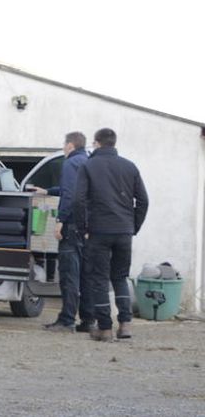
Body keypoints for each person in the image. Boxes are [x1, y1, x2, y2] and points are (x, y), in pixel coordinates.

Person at [74, 128, 149, 341]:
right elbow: (143, 201)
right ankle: (125, 325)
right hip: (124, 231)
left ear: (97, 143)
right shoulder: (130, 166)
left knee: (99, 279)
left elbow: (78, 200)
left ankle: (104, 328)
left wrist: (83, 229)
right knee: (120, 277)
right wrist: (133, 226)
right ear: (114, 143)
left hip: (98, 231)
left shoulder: (88, 166)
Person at [31, 131, 93, 333]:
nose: (63, 147)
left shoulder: (70, 164)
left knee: (69, 276)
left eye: (64, 144)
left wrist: (60, 220)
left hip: (72, 226)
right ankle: (87, 320)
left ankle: (66, 320)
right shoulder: (89, 162)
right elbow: (78, 190)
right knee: (85, 276)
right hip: (89, 229)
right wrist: (48, 191)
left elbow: (70, 194)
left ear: (70, 145)